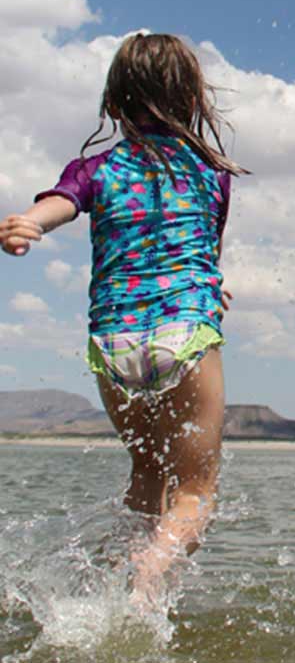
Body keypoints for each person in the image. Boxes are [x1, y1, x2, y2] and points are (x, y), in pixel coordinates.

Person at [0, 33, 246, 607]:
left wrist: (28, 224)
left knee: (146, 476)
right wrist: (203, 286)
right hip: (185, 334)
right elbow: (197, 243)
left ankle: (98, 593)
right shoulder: (212, 170)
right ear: (192, 98)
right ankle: (144, 586)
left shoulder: (97, 168)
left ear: (114, 103)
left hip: (113, 345)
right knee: (194, 494)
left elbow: (62, 201)